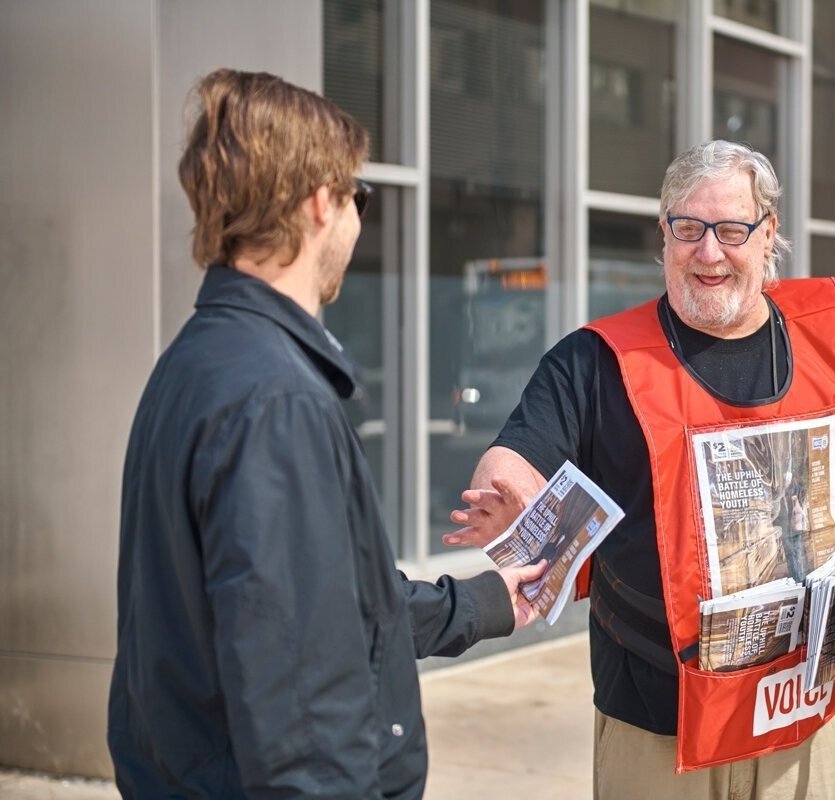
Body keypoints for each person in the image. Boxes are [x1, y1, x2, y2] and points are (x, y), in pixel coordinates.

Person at [446, 140, 835, 799]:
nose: (708, 253)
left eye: (732, 230)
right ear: (663, 231)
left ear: (769, 235)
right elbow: (516, 458)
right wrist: (512, 497)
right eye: (689, 228)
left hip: (804, 709)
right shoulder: (594, 363)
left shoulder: (833, 350)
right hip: (656, 724)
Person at [107, 69, 545, 799]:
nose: (356, 221)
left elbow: (334, 608)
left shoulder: (193, 364)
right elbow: (302, 705)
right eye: (357, 198)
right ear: (320, 203)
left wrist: (485, 602)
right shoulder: (275, 400)